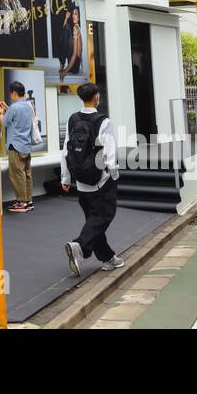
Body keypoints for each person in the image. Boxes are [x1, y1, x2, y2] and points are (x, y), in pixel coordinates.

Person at [61, 83, 123, 275]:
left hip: (80, 180)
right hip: (100, 179)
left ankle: (108, 258)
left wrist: (65, 176)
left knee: (93, 221)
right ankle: (79, 246)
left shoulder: (72, 119)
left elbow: (66, 150)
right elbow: (109, 153)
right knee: (105, 215)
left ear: (81, 98)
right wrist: (114, 175)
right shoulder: (103, 121)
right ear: (96, 97)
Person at [0, 81, 34, 213]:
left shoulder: (14, 108)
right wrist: (7, 108)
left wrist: (0, 113)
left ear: (13, 93)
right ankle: (28, 201)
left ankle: (21, 203)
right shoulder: (28, 106)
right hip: (26, 145)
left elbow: (5, 122)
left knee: (16, 174)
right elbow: (17, 117)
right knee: (26, 174)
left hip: (15, 146)